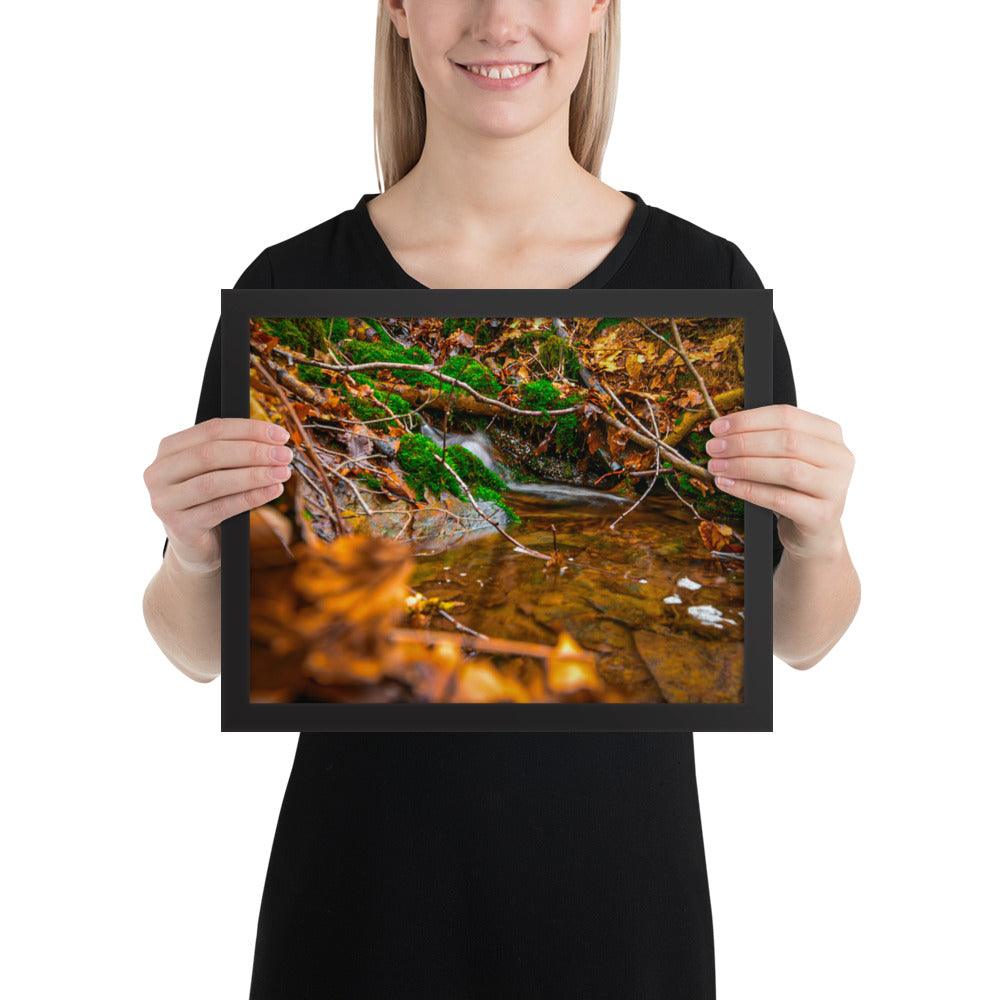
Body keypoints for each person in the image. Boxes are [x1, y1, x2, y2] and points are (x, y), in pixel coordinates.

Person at [142, 2, 860, 996]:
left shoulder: (702, 283)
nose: (500, 19)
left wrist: (819, 538)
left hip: (620, 915)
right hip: (360, 916)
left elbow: (797, 638)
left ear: (602, 9)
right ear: (397, 9)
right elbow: (200, 649)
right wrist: (192, 554)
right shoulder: (295, 290)